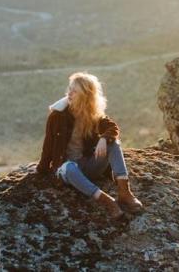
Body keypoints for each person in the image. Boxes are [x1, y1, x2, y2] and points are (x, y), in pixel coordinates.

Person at [36, 72, 143, 219]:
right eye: (69, 89)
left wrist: (104, 138)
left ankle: (124, 192)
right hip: (68, 170)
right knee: (69, 167)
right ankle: (108, 202)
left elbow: (113, 128)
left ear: (86, 95)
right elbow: (48, 145)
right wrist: (42, 169)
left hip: (89, 165)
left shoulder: (93, 113)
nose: (69, 93)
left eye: (74, 91)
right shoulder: (57, 116)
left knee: (114, 143)